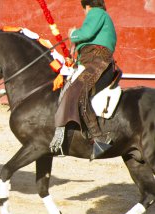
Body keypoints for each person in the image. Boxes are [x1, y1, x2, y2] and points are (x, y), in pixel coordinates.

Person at [49, 0, 117, 160]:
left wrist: (73, 34)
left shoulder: (96, 12)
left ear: (87, 6)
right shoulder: (102, 16)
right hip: (92, 61)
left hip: (98, 61)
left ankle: (99, 138)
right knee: (72, 88)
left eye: (85, 11)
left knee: (78, 91)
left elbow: (86, 33)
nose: (85, 14)